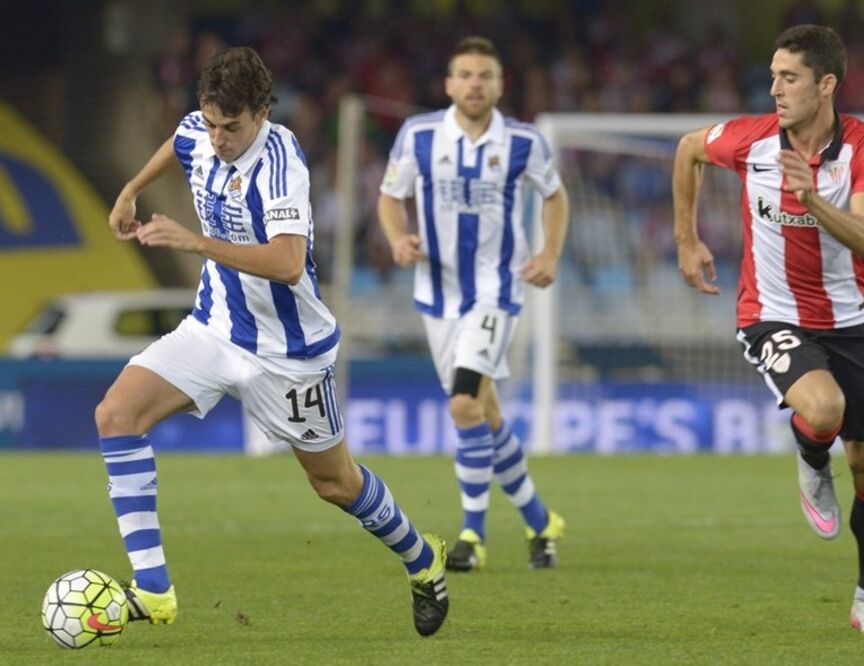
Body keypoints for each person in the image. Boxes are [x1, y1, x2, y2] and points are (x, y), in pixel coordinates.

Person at [97, 47, 449, 637]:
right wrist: (130, 189)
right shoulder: (200, 130)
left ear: (261, 113)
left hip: (289, 354)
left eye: (230, 127)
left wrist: (195, 243)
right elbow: (180, 140)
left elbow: (287, 264)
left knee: (335, 484)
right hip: (213, 329)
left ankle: (422, 558)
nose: (218, 137)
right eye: (211, 122)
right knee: (115, 414)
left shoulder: (283, 161)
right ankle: (154, 591)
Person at [672, 25, 864, 633]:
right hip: (770, 313)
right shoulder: (750, 140)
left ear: (825, 85)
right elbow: (688, 148)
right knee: (823, 410)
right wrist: (687, 239)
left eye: (789, 77)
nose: (774, 88)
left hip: (852, 322)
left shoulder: (863, 146)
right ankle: (809, 452)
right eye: (772, 75)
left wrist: (815, 199)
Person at [378, 36, 570, 572]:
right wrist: (398, 238)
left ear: (500, 84)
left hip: (496, 291)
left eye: (485, 75)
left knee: (463, 404)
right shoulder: (418, 136)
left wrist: (549, 253)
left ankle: (471, 535)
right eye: (464, 74)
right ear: (448, 84)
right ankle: (539, 520)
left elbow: (555, 196)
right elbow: (390, 197)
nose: (475, 83)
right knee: (484, 413)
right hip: (436, 295)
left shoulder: (524, 142)